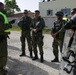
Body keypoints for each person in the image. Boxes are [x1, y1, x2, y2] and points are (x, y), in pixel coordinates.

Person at [0, 2, 12, 75]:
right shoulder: (0, 14)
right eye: (3, 6)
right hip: (1, 39)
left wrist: (9, 23)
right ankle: (2, 71)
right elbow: (1, 27)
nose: (4, 7)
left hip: (2, 37)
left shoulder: (2, 15)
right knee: (3, 55)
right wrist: (10, 25)